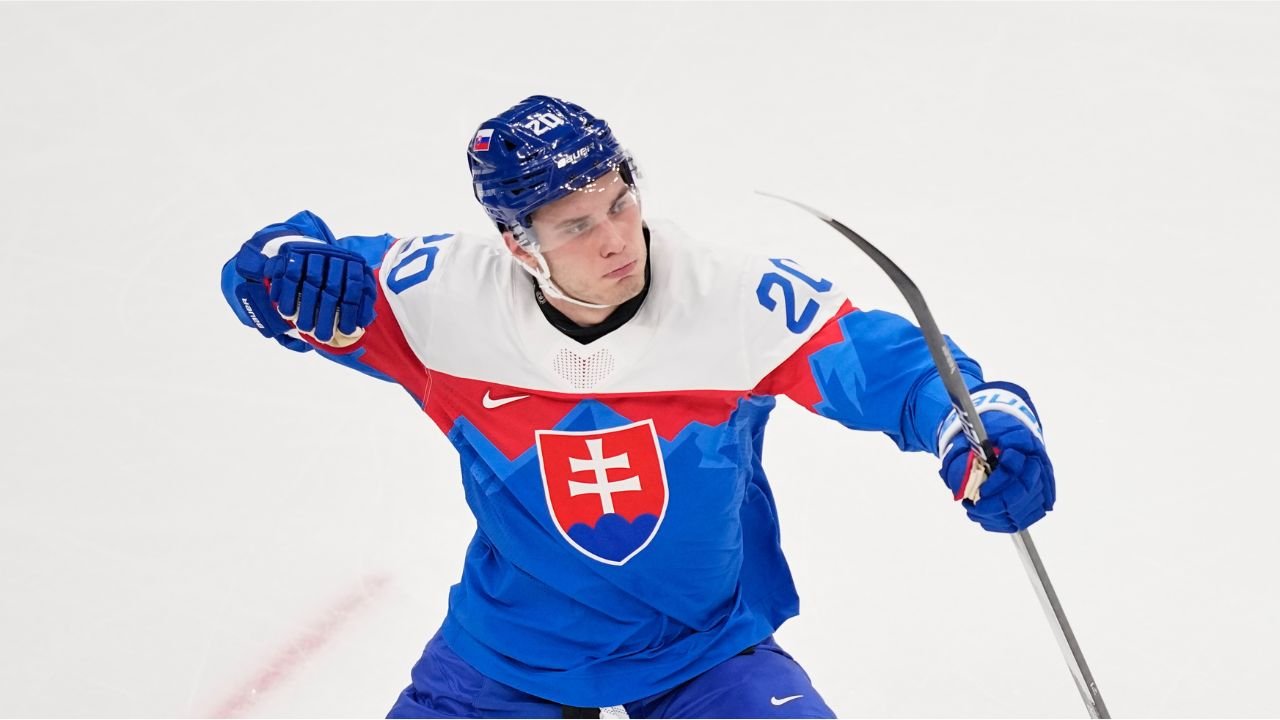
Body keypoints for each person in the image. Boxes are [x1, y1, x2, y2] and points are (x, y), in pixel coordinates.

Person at [219, 95, 1055, 718]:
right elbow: (271, 276)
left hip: (702, 651)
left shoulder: (731, 301)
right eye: (576, 226)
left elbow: (893, 370)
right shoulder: (440, 300)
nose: (617, 238)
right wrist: (280, 269)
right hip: (510, 653)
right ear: (518, 245)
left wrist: (977, 423)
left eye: (620, 201)